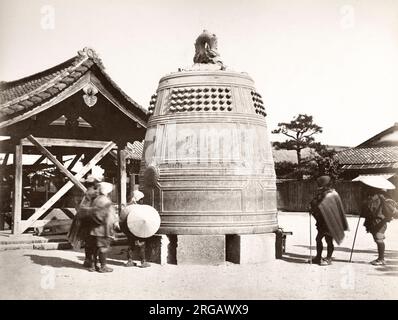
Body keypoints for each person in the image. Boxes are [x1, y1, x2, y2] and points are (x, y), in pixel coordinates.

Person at [309, 175, 348, 266]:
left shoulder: (331, 194)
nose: (318, 185)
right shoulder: (322, 192)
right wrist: (312, 206)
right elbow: (316, 202)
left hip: (330, 221)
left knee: (328, 240)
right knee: (318, 239)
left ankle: (329, 258)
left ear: (325, 184)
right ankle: (318, 257)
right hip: (322, 221)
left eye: (320, 183)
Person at [67, 175, 100, 269]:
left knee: (87, 241)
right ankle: (94, 261)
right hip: (91, 218)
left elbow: (80, 206)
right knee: (94, 241)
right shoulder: (95, 193)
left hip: (83, 219)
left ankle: (88, 260)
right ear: (94, 184)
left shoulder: (86, 192)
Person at [361, 185, 398, 266]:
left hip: (380, 221)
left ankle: (381, 259)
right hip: (374, 221)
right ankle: (380, 258)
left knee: (379, 239)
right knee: (377, 239)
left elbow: (391, 210)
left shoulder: (381, 197)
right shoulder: (373, 196)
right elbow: (369, 208)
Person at [87, 182, 118, 273]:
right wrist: (111, 230)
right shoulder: (106, 201)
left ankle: (93, 266)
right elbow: (110, 217)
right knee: (103, 247)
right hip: (103, 229)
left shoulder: (96, 199)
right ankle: (103, 266)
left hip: (94, 228)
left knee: (95, 248)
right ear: (107, 191)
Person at [120, 190, 151, 268]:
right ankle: (143, 262)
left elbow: (122, 219)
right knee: (142, 245)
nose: (142, 201)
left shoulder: (128, 208)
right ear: (139, 199)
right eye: (141, 199)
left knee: (131, 245)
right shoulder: (140, 209)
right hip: (138, 230)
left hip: (129, 231)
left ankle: (129, 261)